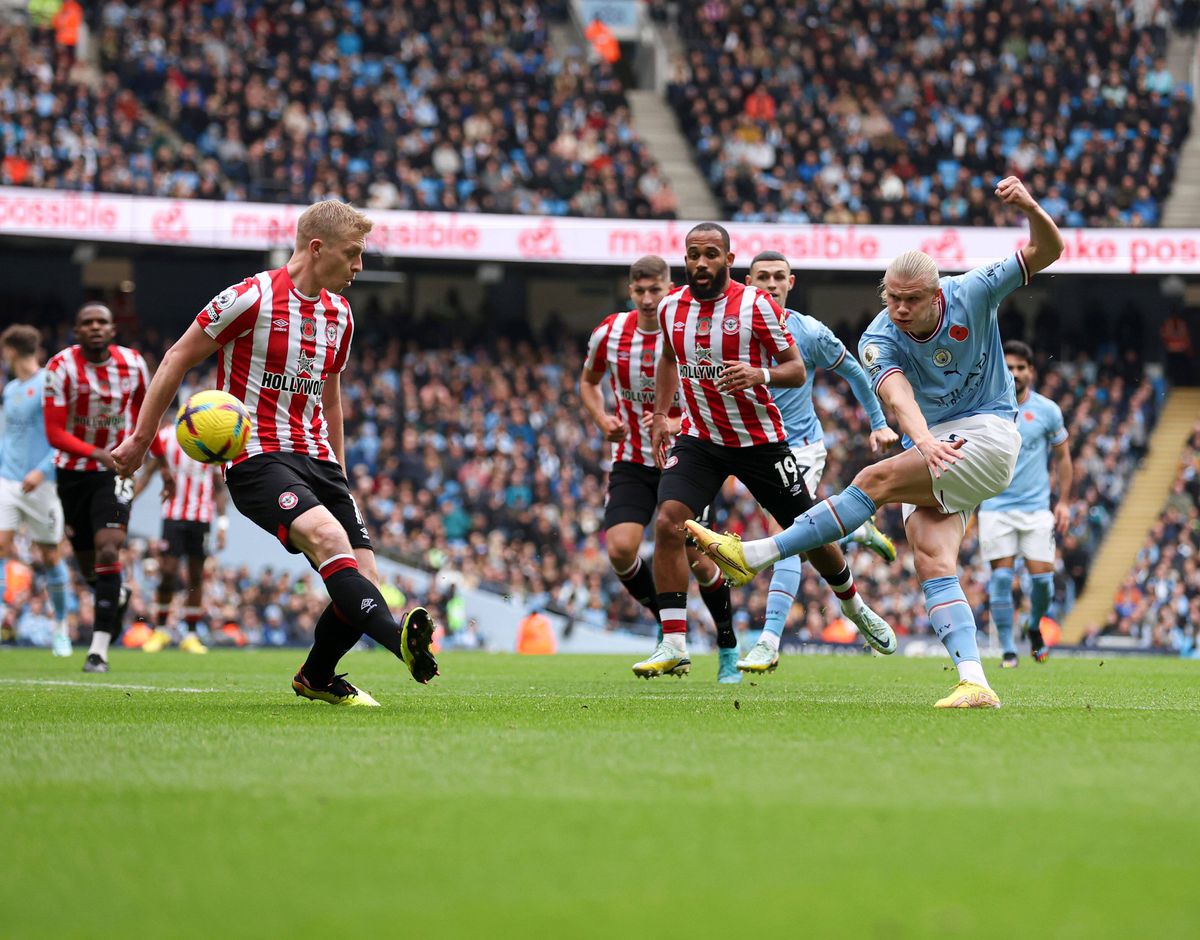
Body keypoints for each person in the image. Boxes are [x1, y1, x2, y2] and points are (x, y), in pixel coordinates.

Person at [689, 177, 1065, 708]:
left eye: (912, 301)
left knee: (874, 479)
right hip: (943, 449)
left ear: (938, 295)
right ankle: (975, 680)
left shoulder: (974, 290)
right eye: (893, 298)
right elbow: (896, 394)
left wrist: (1029, 206)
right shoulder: (877, 336)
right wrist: (923, 441)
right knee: (932, 558)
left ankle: (754, 554)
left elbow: (1048, 249)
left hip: (991, 433)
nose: (901, 309)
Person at [111, 200, 437, 706]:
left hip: (319, 459)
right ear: (316, 247)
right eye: (352, 254)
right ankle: (398, 641)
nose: (359, 267)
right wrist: (139, 437)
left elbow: (330, 395)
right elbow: (177, 356)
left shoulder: (340, 314)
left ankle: (317, 676)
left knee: (365, 580)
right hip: (257, 456)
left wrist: (341, 472)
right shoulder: (250, 297)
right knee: (329, 539)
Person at [633, 223, 895, 678]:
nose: (700, 263)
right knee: (670, 520)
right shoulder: (672, 306)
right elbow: (669, 360)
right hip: (702, 440)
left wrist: (760, 375)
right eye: (693, 254)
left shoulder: (755, 306)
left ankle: (854, 605)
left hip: (761, 442)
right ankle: (674, 641)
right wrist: (660, 415)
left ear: (728, 261)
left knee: (807, 531)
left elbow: (795, 370)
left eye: (710, 254)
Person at [737, 252, 900, 673]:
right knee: (809, 539)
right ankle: (851, 530)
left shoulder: (807, 332)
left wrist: (879, 423)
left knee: (790, 535)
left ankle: (769, 640)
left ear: (791, 283)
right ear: (746, 282)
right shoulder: (731, 331)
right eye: (762, 278)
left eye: (778, 277)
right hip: (753, 450)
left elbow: (854, 370)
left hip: (801, 447)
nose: (770, 284)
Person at [580, 255, 740, 683]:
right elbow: (588, 382)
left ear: (670, 287)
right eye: (641, 291)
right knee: (619, 550)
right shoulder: (609, 333)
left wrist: (673, 420)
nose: (649, 299)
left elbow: (708, 385)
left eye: (657, 290)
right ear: (630, 291)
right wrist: (602, 419)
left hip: (684, 456)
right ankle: (667, 624)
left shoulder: (686, 327)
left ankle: (727, 643)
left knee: (699, 559)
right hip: (632, 459)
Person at [44, 304, 174, 673]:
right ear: (77, 330)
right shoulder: (60, 367)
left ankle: (98, 650)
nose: (96, 327)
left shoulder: (133, 365)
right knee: (88, 565)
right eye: (88, 323)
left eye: (102, 321)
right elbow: (54, 432)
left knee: (108, 547)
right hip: (73, 473)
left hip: (117, 469)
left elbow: (143, 420)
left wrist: (163, 465)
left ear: (113, 329)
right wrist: (96, 453)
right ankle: (116, 594)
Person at [978, 340, 1073, 667]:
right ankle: (1007, 648)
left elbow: (1063, 457)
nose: (1014, 373)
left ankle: (1033, 627)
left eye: (1020, 368)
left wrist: (1063, 502)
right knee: (1002, 579)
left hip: (1036, 509)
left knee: (1043, 582)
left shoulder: (1047, 411)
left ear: (1031, 371)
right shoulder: (985, 407)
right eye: (1009, 367)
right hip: (995, 507)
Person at [0, 325, 72, 656]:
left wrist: (42, 472)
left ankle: (60, 626)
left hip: (42, 484)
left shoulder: (48, 384)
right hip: (8, 480)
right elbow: (6, 438)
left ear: (11, 350)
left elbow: (63, 437)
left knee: (50, 555)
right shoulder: (10, 389)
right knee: (2, 544)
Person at [134, 416, 231, 654]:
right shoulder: (166, 438)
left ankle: (190, 634)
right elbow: (147, 474)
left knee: (196, 576)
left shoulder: (212, 440)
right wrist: (126, 505)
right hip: (173, 516)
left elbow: (219, 488)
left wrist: (222, 524)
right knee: (167, 571)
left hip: (202, 518)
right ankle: (161, 630)